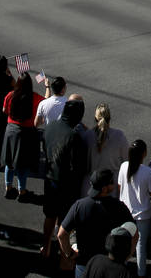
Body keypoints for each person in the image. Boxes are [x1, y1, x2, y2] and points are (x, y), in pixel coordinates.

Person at [42, 98, 89, 258]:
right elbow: (78, 166)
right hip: (66, 184)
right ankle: (64, 257)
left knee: (49, 215)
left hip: (49, 178)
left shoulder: (49, 127)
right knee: (65, 221)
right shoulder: (73, 136)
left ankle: (46, 247)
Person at [117, 139, 151, 278]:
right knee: (141, 246)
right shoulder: (147, 172)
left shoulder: (123, 167)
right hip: (143, 215)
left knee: (124, 244)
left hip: (125, 213)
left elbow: (119, 187)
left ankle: (123, 270)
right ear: (144, 153)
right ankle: (141, 273)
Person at [2, 71, 43, 200]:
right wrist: (47, 87)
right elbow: (45, 103)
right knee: (22, 164)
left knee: (10, 161)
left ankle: (8, 188)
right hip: (26, 133)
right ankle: (22, 191)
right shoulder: (34, 97)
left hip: (11, 131)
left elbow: (4, 110)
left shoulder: (10, 95)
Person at [86, 103, 129, 194]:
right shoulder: (119, 136)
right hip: (113, 187)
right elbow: (126, 161)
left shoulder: (87, 136)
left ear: (95, 118)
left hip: (93, 187)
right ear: (109, 118)